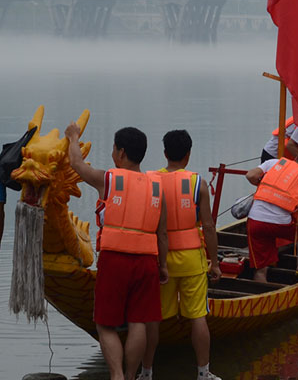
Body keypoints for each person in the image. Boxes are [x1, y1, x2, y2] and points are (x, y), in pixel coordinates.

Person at [65, 124, 168, 380]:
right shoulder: (157, 187)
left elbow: (76, 164)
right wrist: (163, 266)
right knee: (138, 322)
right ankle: (131, 376)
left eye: (113, 149)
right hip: (147, 261)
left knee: (105, 324)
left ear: (121, 152)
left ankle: (117, 376)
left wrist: (73, 136)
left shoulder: (108, 179)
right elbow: (162, 234)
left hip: (114, 260)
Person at [140, 130, 222, 380]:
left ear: (165, 153)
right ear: (188, 155)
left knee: (153, 319)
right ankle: (203, 373)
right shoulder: (198, 183)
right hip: (191, 258)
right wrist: (215, 263)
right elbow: (208, 227)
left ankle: (146, 372)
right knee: (198, 317)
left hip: (159, 258)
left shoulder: (150, 180)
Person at [245, 153, 298, 282]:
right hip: (281, 224)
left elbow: (250, 175)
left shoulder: (274, 163)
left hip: (256, 221)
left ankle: (260, 290)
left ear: (296, 158)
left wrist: (262, 185)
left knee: (260, 270)